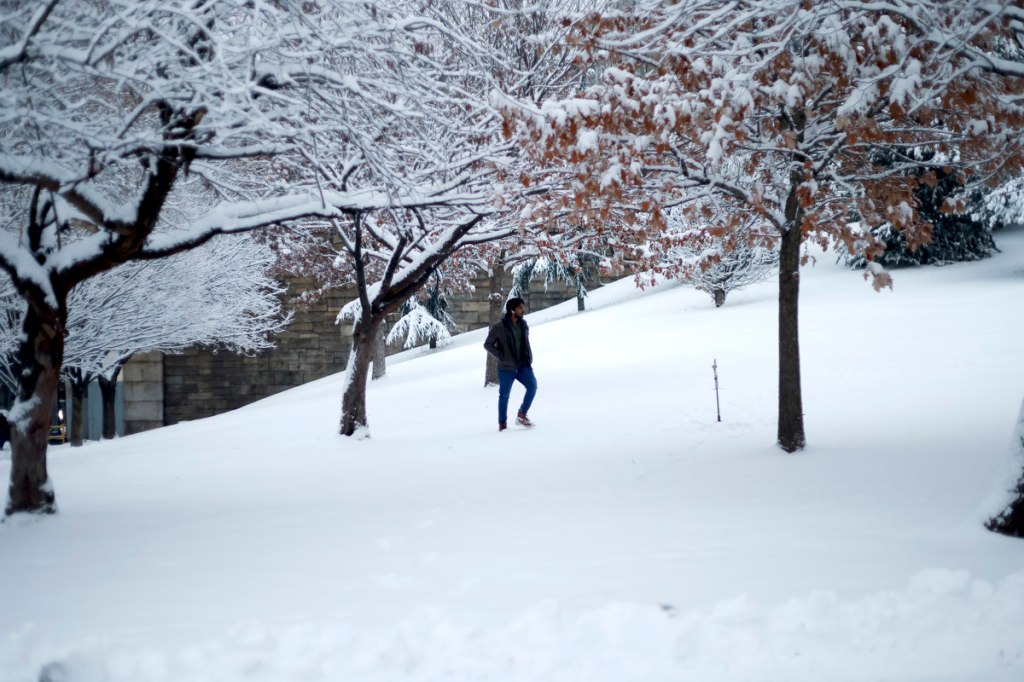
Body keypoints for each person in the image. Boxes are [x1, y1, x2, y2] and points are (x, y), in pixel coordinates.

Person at [483, 297, 537, 431]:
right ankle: (502, 424)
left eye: (522, 307)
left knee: (533, 386)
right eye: (520, 308)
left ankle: (522, 414)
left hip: (523, 365)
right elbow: (488, 344)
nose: (523, 310)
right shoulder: (499, 327)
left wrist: (528, 357)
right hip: (507, 368)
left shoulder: (523, 324)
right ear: (512, 310)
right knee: (504, 396)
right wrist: (501, 355)